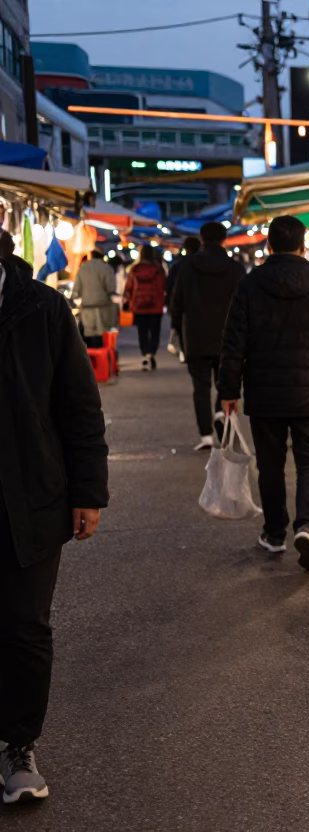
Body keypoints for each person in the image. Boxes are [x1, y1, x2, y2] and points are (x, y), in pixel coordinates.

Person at [0, 231, 109, 805]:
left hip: (33, 494)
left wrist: (87, 492)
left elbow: (77, 403)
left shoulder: (41, 307)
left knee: (25, 626)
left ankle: (18, 744)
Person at [218, 215, 309, 571]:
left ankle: (275, 532)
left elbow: (234, 342)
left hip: (265, 393)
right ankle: (307, 526)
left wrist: (228, 389)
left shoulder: (250, 285)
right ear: (302, 245)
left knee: (271, 465)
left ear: (268, 245)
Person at [169, 222, 246, 451]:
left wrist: (176, 327)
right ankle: (221, 414)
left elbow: (177, 301)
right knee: (226, 383)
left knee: (200, 386)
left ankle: (206, 436)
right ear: (225, 239)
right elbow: (244, 304)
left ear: (202, 239)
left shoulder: (187, 267)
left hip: (195, 336)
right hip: (229, 338)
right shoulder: (235, 268)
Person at [122, 245, 167, 371]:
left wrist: (127, 301)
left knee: (142, 332)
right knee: (155, 333)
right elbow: (163, 286)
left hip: (138, 306)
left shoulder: (134, 269)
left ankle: (144, 355)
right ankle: (151, 353)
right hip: (156, 307)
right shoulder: (158, 270)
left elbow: (128, 288)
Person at [71, 250, 118, 348]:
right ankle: (101, 360)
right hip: (103, 308)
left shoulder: (83, 268)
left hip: (87, 309)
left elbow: (76, 290)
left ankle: (91, 360)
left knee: (88, 336)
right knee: (101, 337)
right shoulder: (106, 268)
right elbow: (111, 288)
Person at [166, 236, 201, 361]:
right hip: (202, 307)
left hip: (184, 306)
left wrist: (171, 306)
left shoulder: (178, 266)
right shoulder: (204, 264)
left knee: (182, 329)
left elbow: (170, 287)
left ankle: (184, 350)